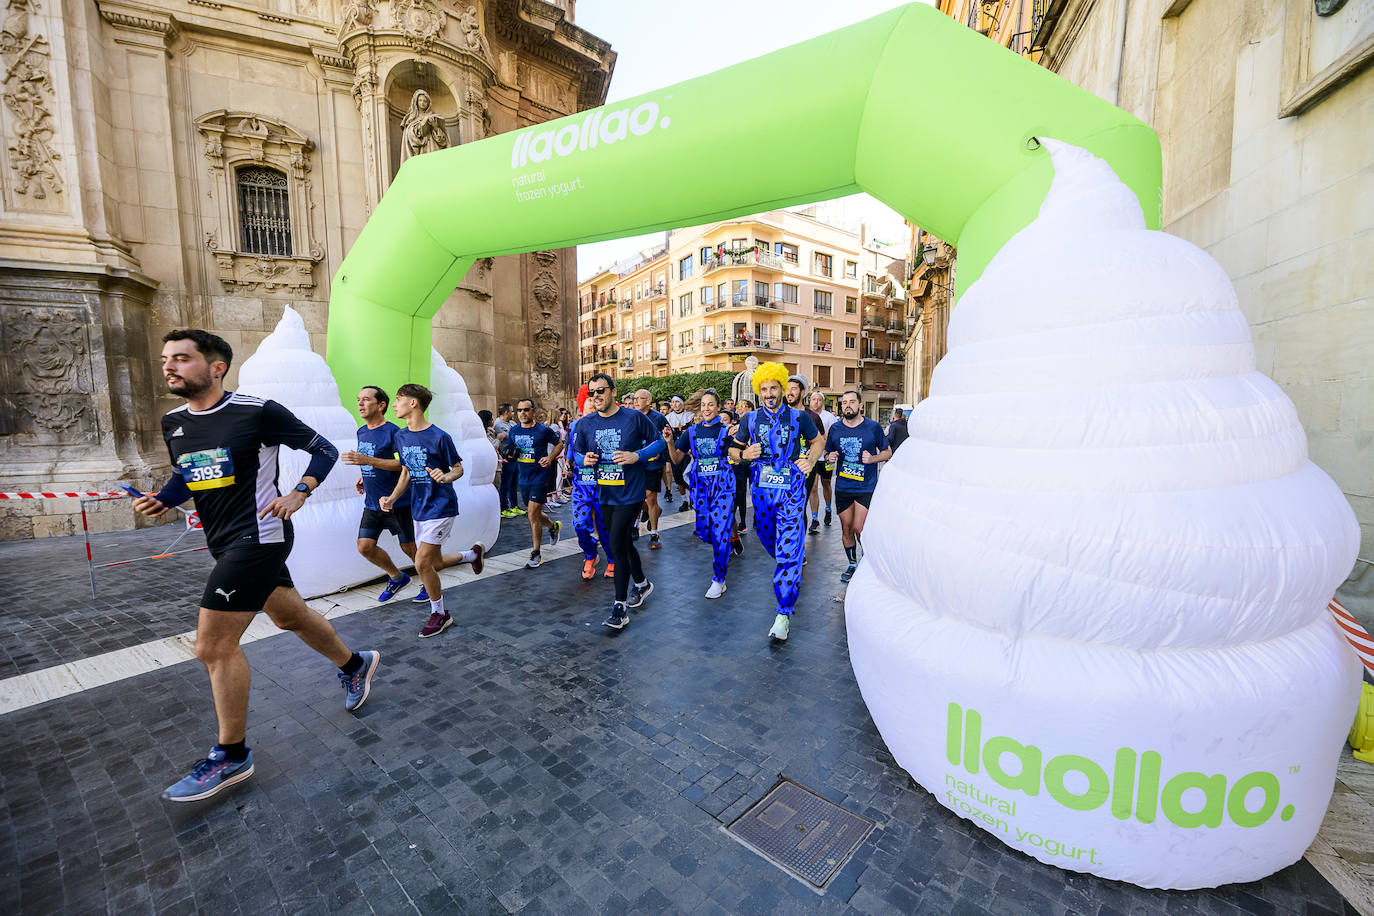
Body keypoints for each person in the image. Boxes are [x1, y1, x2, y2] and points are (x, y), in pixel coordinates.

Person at [134, 329, 379, 803]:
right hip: (223, 541)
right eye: (166, 359)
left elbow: (324, 449)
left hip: (261, 537)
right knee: (290, 615)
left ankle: (231, 755)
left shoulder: (256, 411)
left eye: (182, 359)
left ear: (217, 367)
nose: (169, 367)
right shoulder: (173, 422)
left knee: (213, 646)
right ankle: (355, 664)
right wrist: (164, 499)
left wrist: (300, 492)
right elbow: (192, 470)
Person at [380, 384, 485, 638]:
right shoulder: (401, 436)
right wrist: (393, 497)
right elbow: (406, 471)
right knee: (434, 562)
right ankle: (472, 555)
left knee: (422, 562)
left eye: (398, 400)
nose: (394, 405)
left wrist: (446, 476)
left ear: (413, 403)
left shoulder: (440, 436)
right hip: (419, 508)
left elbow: (458, 468)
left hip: (441, 506)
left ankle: (440, 613)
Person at [730, 363, 822, 642]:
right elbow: (733, 450)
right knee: (768, 538)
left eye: (774, 388)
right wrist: (745, 454)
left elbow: (819, 441)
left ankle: (783, 612)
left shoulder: (800, 417)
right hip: (761, 491)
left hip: (792, 490)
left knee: (789, 549)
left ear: (783, 389)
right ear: (759, 391)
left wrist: (811, 459)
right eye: (764, 389)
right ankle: (785, 560)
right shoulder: (750, 419)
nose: (769, 393)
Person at [572, 373, 662, 630]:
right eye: (592, 393)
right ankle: (642, 584)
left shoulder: (634, 418)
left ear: (613, 391)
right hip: (604, 493)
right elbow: (576, 456)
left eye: (601, 391)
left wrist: (637, 456)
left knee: (615, 543)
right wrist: (584, 461)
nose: (596, 396)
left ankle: (619, 606)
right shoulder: (586, 424)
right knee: (621, 541)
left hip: (631, 493)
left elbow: (658, 444)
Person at [341, 385, 418, 602]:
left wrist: (367, 462)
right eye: (358, 399)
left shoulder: (394, 432)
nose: (360, 404)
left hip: (397, 502)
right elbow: (371, 460)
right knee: (365, 546)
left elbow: (404, 464)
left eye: (366, 399)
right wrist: (364, 475)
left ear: (381, 405)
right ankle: (396, 577)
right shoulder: (361, 431)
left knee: (410, 549)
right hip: (372, 502)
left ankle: (430, 582)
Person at [663, 389, 738, 598]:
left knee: (720, 533)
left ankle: (719, 579)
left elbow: (741, 453)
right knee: (706, 531)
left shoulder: (726, 429)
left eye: (711, 404)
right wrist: (669, 442)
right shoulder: (692, 431)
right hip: (701, 488)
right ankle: (726, 545)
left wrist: (738, 437)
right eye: (704, 405)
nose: (706, 408)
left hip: (723, 487)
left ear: (718, 407)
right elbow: (677, 459)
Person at [825, 390, 892, 583]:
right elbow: (829, 455)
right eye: (844, 402)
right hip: (843, 486)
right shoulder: (836, 429)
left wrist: (872, 459)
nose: (847, 405)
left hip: (866, 487)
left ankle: (868, 561)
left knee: (859, 527)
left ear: (860, 405)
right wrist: (830, 457)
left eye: (852, 401)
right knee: (846, 528)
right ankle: (852, 564)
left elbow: (887, 452)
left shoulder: (873, 427)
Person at [510, 397, 564, 568]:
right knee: (534, 514)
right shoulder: (514, 431)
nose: (522, 413)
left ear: (533, 411)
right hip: (523, 478)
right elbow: (511, 451)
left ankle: (536, 553)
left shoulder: (543, 430)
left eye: (526, 410)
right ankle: (552, 526)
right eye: (519, 410)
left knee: (532, 515)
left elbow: (560, 444)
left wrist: (549, 458)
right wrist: (509, 454)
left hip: (540, 477)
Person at [569, 386, 614, 580]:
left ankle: (612, 559)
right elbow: (571, 455)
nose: (593, 401)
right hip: (581, 485)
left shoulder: (608, 426)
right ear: (582, 403)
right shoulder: (573, 427)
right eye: (588, 398)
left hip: (604, 485)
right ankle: (590, 555)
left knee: (605, 527)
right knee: (580, 525)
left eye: (596, 397)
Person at [785, 375, 827, 535]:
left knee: (799, 506)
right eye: (787, 389)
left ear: (802, 393)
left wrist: (812, 453)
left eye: (793, 389)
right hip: (785, 468)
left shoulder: (813, 417)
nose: (789, 392)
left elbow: (822, 439)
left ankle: (799, 549)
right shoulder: (781, 415)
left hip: (805, 468)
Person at [634, 388, 670, 549]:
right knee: (637, 498)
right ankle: (650, 512)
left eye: (639, 398)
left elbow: (668, 438)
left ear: (648, 401)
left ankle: (654, 533)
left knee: (650, 498)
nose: (635, 401)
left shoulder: (659, 418)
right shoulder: (631, 416)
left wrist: (662, 455)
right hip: (635, 463)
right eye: (634, 398)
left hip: (653, 464)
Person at [807, 389, 837, 530]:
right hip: (812, 456)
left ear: (823, 402)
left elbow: (833, 436)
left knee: (826, 484)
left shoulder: (829, 417)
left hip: (825, 456)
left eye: (819, 399)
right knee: (813, 487)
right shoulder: (806, 415)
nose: (816, 402)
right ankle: (814, 519)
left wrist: (829, 452)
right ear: (810, 400)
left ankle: (829, 509)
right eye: (814, 399)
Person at [493, 403, 520, 517]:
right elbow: (512, 436)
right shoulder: (498, 424)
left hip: (515, 457)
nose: (513, 414)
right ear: (506, 413)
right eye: (512, 411)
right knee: (505, 484)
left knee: (514, 483)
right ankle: (504, 507)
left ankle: (514, 506)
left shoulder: (512, 423)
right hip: (506, 458)